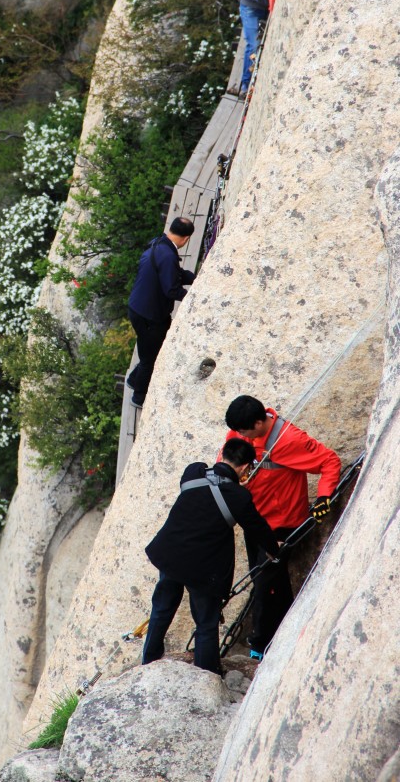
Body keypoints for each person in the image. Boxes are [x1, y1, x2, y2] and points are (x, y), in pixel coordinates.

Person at [142, 438, 280, 673]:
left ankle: (148, 662)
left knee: (161, 609)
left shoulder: (193, 472)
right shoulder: (238, 497)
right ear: (246, 468)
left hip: (171, 555)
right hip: (203, 569)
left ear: (221, 455)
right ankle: (206, 675)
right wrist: (274, 549)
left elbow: (201, 498)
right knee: (206, 623)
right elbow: (258, 529)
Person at [224, 395, 341, 659]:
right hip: (254, 519)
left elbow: (329, 461)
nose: (238, 435)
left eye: (243, 431)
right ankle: (287, 630)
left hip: (280, 524)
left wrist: (324, 496)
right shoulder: (240, 430)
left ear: (258, 422)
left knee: (265, 583)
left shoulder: (289, 440)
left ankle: (260, 646)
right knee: (267, 579)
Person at [127, 217, 196, 408]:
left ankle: (133, 379)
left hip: (138, 307)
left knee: (146, 347)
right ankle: (139, 397)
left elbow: (171, 273)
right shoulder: (168, 255)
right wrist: (194, 297)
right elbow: (171, 290)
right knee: (151, 356)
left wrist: (193, 278)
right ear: (186, 238)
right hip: (150, 314)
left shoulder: (159, 244)